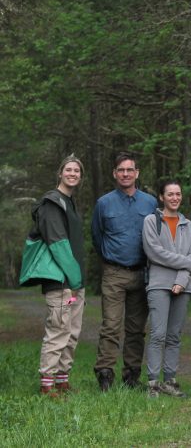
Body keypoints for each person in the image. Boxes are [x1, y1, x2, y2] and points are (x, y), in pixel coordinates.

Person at [20, 155, 86, 396]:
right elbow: (58, 244)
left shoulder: (69, 202)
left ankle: (62, 380)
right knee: (58, 329)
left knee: (72, 331)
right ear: (60, 173)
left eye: (77, 171)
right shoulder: (51, 204)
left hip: (74, 283)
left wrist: (78, 282)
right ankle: (47, 385)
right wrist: (75, 280)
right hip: (61, 283)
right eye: (68, 169)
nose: (72, 174)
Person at [92, 152, 157, 391]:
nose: (126, 174)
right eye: (121, 170)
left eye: (130, 170)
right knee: (110, 325)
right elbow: (97, 237)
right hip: (114, 273)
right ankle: (105, 374)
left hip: (142, 273)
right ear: (115, 173)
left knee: (136, 328)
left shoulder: (149, 203)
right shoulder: (104, 203)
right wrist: (111, 258)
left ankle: (131, 375)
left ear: (137, 173)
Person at [142, 179, 191, 398]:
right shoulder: (151, 221)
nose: (175, 198)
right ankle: (153, 383)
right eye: (170, 194)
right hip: (158, 284)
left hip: (183, 286)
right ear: (162, 197)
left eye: (178, 194)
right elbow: (154, 252)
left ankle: (170, 381)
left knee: (174, 335)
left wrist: (181, 281)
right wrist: (185, 263)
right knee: (158, 334)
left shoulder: (188, 225)